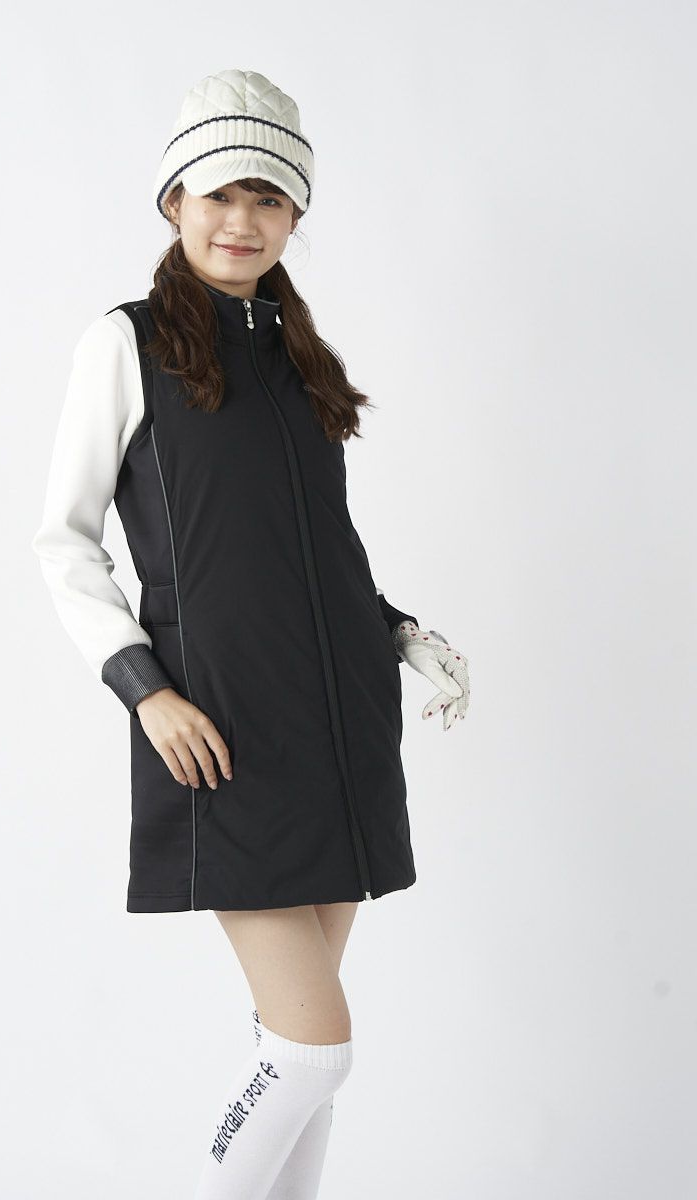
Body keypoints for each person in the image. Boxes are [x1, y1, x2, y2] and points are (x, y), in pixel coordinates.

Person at [32, 68, 471, 1200]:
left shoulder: (296, 355)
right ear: (173, 201)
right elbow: (64, 542)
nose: (242, 219)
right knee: (313, 1051)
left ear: (295, 213)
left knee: (301, 1059)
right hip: (220, 730)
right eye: (219, 193)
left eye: (269, 198)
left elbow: (318, 548)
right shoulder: (123, 344)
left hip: (340, 724)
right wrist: (145, 688)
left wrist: (399, 632)